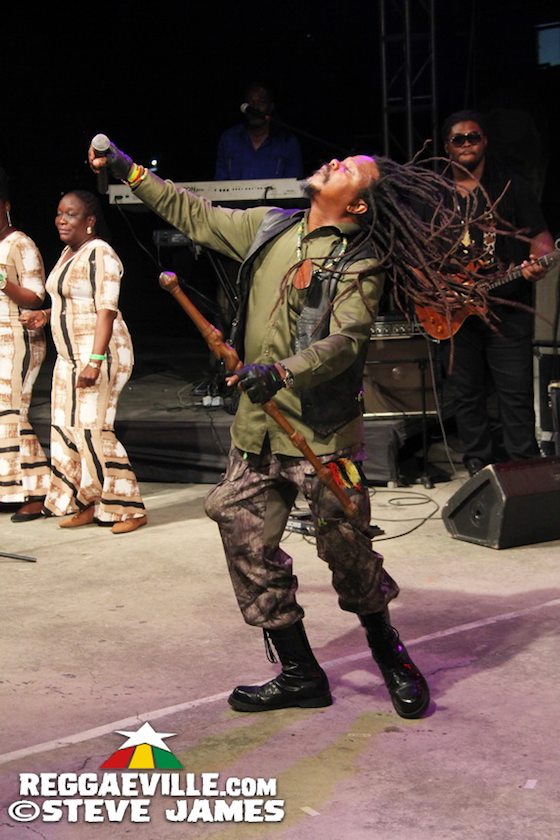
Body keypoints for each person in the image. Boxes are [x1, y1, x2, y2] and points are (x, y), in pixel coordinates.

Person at [89, 136, 490, 719]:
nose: (337, 161)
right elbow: (191, 213)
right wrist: (127, 169)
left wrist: (281, 371)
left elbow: (346, 340)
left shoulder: (360, 261)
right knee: (243, 536)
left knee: (347, 549)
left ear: (357, 204)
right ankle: (301, 673)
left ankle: (390, 654)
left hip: (321, 436)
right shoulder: (270, 228)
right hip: (256, 429)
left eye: (350, 168)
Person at [20, 191, 147, 534]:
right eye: (59, 213)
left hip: (99, 353)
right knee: (66, 428)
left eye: (71, 214)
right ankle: (89, 501)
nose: (61, 220)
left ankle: (129, 507)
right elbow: (72, 303)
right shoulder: (68, 253)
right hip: (68, 355)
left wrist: (95, 360)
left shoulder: (100, 253)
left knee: (94, 428)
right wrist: (45, 315)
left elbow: (106, 310)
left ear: (89, 220)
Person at [440, 110, 555, 476]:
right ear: (447, 147)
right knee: (466, 393)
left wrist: (538, 261)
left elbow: (540, 237)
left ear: (485, 141)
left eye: (473, 137)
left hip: (508, 306)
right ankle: (478, 467)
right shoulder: (434, 194)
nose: (467, 144)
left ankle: (524, 469)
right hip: (455, 312)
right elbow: (415, 252)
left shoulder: (510, 185)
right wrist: (434, 289)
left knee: (515, 393)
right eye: (458, 139)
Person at [0, 167, 51, 523]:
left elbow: (36, 297)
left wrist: (2, 280)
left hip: (19, 340)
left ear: (5, 205)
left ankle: (37, 492)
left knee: (14, 413)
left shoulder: (21, 243)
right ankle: (11, 488)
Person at [215, 82, 304, 181]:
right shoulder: (229, 139)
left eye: (261, 102)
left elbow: (293, 184)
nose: (255, 108)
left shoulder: (287, 141)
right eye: (251, 102)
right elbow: (220, 183)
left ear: (271, 107)